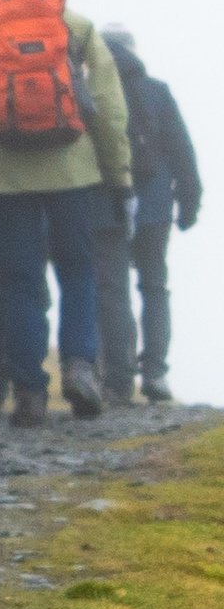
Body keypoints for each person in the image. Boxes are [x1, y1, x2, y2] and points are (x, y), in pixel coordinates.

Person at [0, 0, 129, 423]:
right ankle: (80, 367)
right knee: (78, 271)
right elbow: (108, 106)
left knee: (20, 281)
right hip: (72, 171)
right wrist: (119, 175)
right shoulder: (75, 24)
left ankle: (29, 391)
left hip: (4, 177)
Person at [94, 28, 199, 406]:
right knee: (154, 286)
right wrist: (189, 200)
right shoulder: (156, 91)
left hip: (107, 205)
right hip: (154, 207)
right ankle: (155, 372)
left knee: (112, 289)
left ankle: (118, 380)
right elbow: (180, 148)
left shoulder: (92, 89)